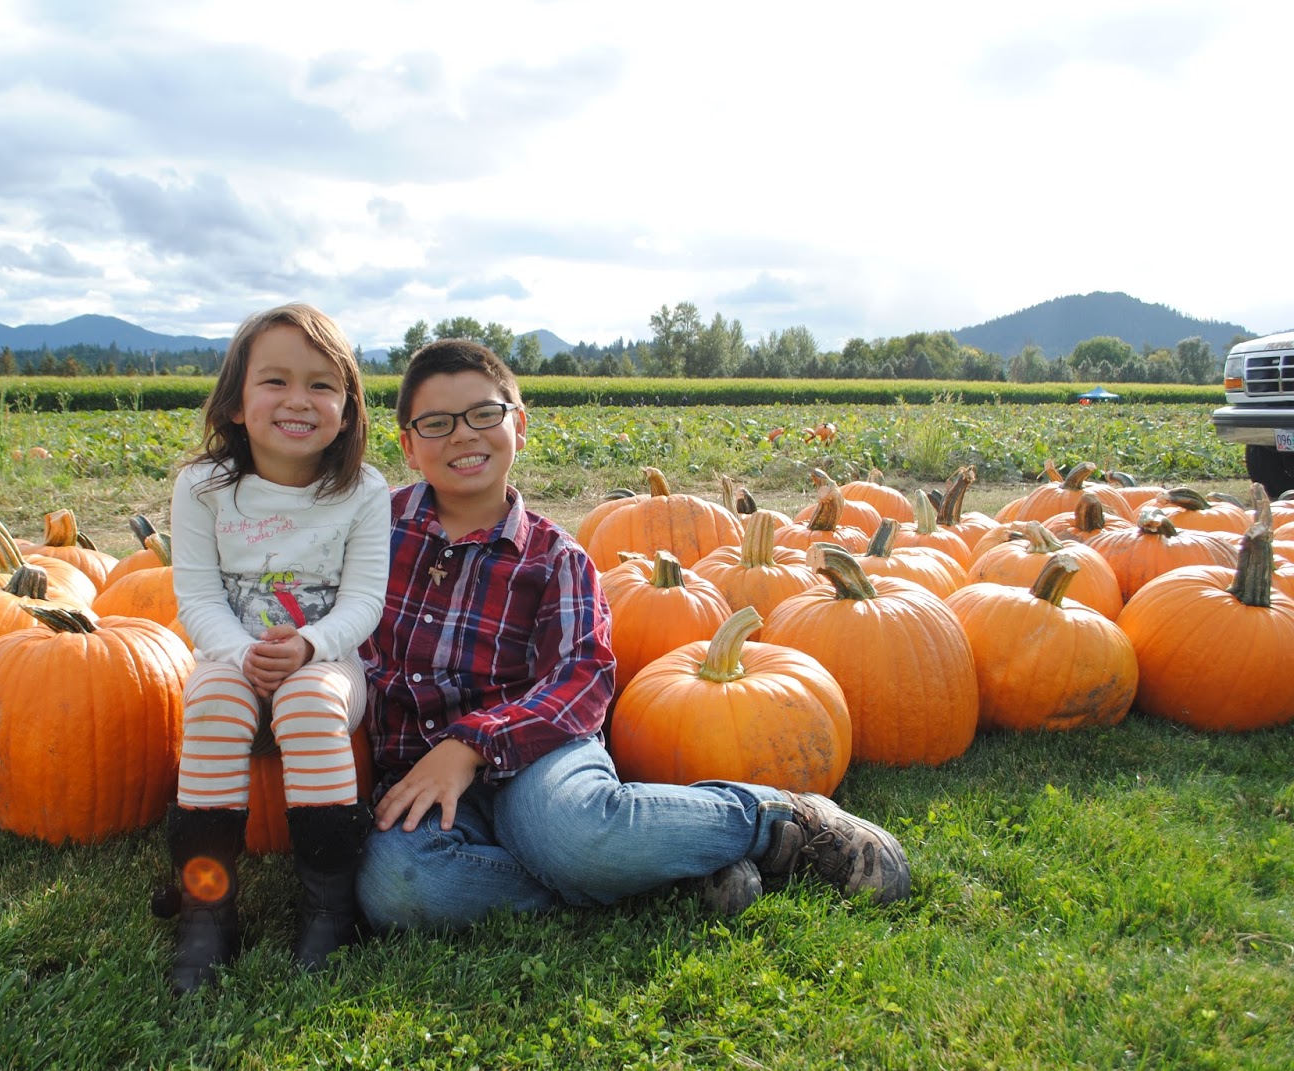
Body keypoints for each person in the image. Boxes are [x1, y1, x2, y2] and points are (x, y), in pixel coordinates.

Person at [355, 339, 912, 934]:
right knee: (396, 887)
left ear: (517, 425)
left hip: (536, 761)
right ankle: (664, 870)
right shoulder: (373, 535)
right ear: (410, 447)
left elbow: (581, 680)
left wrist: (469, 747)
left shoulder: (554, 558)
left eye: (484, 415)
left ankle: (778, 821)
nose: (464, 435)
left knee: (575, 835)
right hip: (421, 776)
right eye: (437, 424)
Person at [161, 302, 390, 993]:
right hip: (233, 658)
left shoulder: (362, 490)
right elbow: (198, 597)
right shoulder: (202, 489)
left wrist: (310, 645)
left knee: (312, 706)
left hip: (327, 663)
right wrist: (241, 654)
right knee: (210, 703)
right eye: (276, 381)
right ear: (235, 402)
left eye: (322, 384)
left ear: (347, 410)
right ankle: (208, 911)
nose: (299, 399)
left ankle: (330, 909)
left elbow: (363, 602)